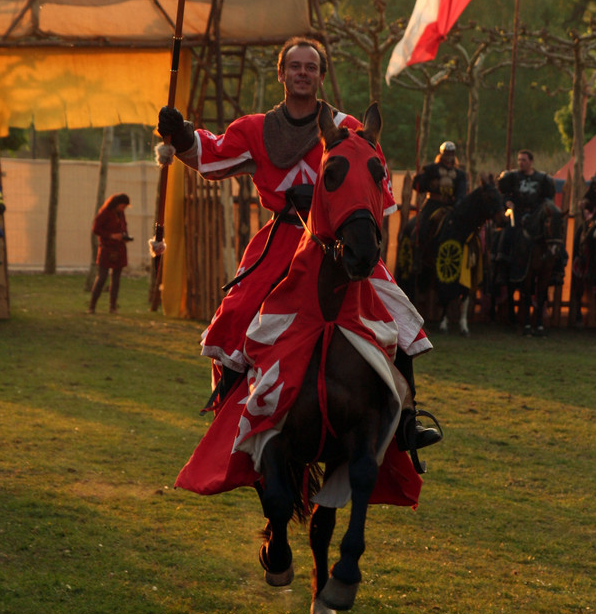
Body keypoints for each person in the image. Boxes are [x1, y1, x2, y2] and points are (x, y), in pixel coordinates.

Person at [157, 36, 441, 455]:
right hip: (283, 240)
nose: (303, 73)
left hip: (339, 243)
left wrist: (357, 230)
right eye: (295, 66)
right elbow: (211, 155)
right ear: (282, 74)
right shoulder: (254, 129)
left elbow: (377, 185)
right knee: (237, 313)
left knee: (397, 313)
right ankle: (232, 410)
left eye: (311, 67)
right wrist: (180, 134)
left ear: (321, 76)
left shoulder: (349, 129)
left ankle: (406, 419)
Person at [496, 149, 566, 285]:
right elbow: (503, 194)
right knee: (507, 233)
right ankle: (502, 267)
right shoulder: (512, 177)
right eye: (519, 160)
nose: (521, 163)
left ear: (531, 161)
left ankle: (558, 267)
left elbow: (548, 197)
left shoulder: (542, 178)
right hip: (517, 212)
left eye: (524, 160)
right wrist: (507, 202)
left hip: (537, 215)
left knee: (553, 235)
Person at [412, 140, 467, 244]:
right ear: (442, 153)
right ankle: (418, 250)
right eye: (447, 153)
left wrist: (458, 203)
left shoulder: (460, 174)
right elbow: (418, 185)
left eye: (451, 153)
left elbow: (461, 192)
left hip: (451, 205)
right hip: (433, 204)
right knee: (423, 226)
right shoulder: (431, 169)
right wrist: (427, 183)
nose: (449, 155)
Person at [88, 193, 132, 314]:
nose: (123, 209)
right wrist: (111, 235)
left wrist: (124, 236)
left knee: (116, 279)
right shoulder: (105, 213)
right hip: (107, 248)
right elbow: (96, 229)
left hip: (119, 248)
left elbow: (123, 226)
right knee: (102, 277)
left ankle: (113, 306)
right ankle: (92, 305)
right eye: (122, 206)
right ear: (116, 204)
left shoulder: (120, 214)